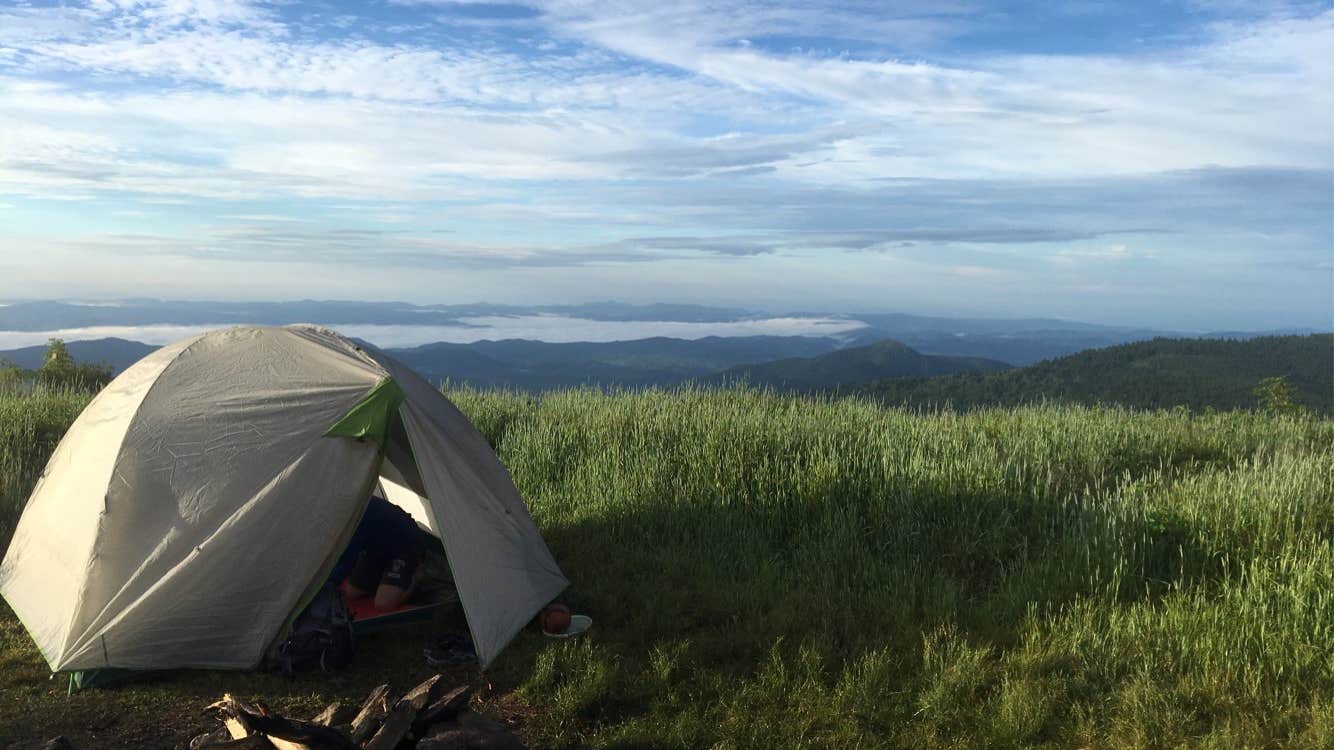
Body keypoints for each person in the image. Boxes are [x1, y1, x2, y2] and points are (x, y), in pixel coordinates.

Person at [330, 494, 427, 610]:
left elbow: (347, 559)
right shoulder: (341, 509)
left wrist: (327, 583)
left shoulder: (355, 513)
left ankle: (417, 575)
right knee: (351, 592)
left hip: (404, 546)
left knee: (383, 604)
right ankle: (387, 581)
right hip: (377, 548)